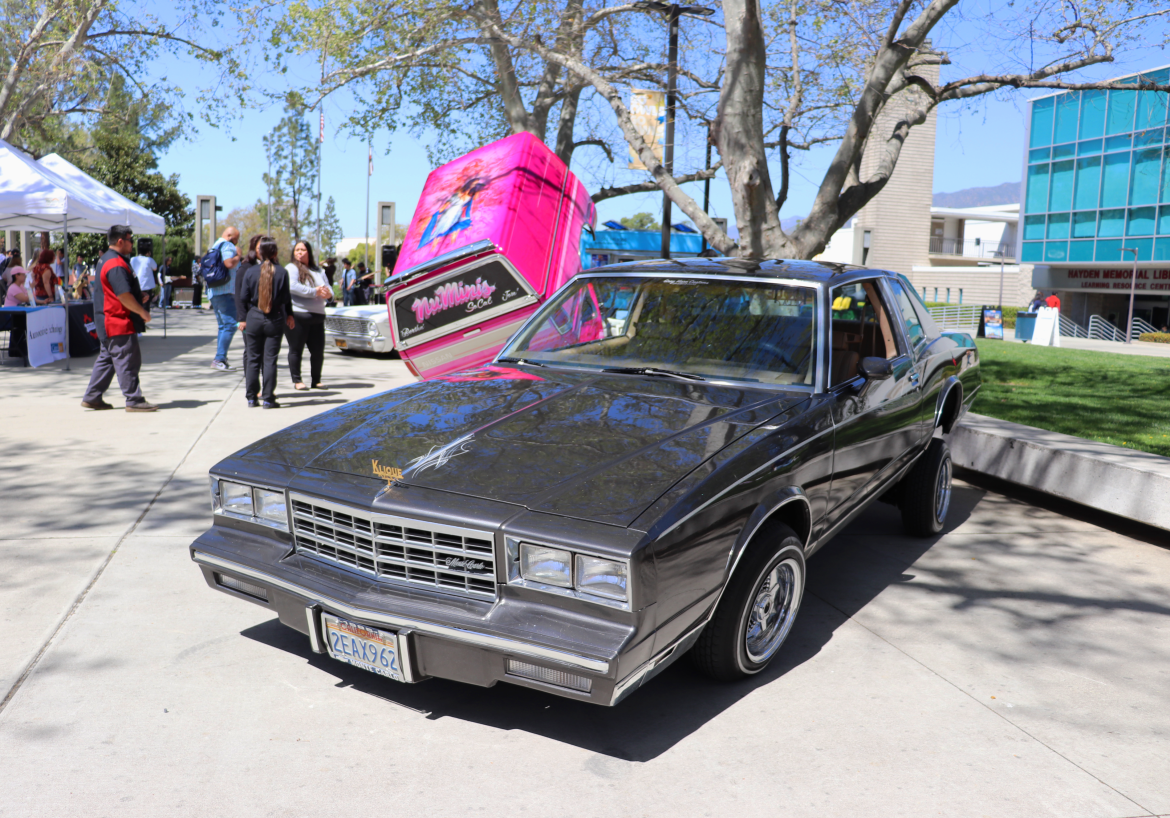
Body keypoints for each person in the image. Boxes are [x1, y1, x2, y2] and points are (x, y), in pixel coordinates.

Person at [81, 225, 157, 412]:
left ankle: (92, 396)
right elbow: (123, 296)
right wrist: (142, 311)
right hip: (116, 322)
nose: (133, 244)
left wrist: (139, 297)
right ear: (121, 241)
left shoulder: (108, 260)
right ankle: (134, 399)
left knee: (107, 359)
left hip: (107, 322)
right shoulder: (115, 263)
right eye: (131, 240)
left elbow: (116, 292)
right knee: (128, 360)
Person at [236, 236, 294, 408]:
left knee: (253, 358)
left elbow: (244, 297)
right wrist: (289, 315)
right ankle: (268, 398)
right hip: (274, 318)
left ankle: (252, 398)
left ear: (259, 252)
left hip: (253, 317)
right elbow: (285, 299)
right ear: (275, 253)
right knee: (270, 359)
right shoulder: (282, 272)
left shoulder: (250, 272)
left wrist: (243, 317)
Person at [285, 239, 331, 390]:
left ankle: (316, 380)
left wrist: (327, 293)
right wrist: (314, 292)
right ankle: (297, 380)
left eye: (302, 250)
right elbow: (292, 286)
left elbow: (328, 289)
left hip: (317, 316)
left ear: (309, 252)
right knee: (296, 349)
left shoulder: (318, 270)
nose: (299, 252)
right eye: (297, 250)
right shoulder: (291, 268)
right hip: (298, 315)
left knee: (318, 351)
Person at [206, 226, 242, 371]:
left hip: (215, 290)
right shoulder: (227, 245)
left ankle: (221, 358)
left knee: (223, 326)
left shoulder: (215, 245)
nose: (236, 243)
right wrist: (238, 255)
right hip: (224, 291)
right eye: (236, 240)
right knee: (231, 325)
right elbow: (229, 263)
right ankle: (219, 358)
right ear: (229, 235)